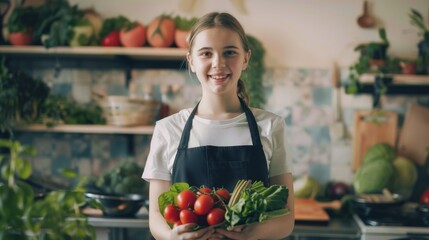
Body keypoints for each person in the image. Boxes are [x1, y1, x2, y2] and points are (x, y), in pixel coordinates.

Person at [142, 12, 294, 240]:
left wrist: (253, 234)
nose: (218, 63)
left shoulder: (271, 126)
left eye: (230, 52)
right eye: (206, 53)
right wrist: (173, 237)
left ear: (245, 58)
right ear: (192, 61)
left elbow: (286, 218)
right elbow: (155, 215)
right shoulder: (168, 129)